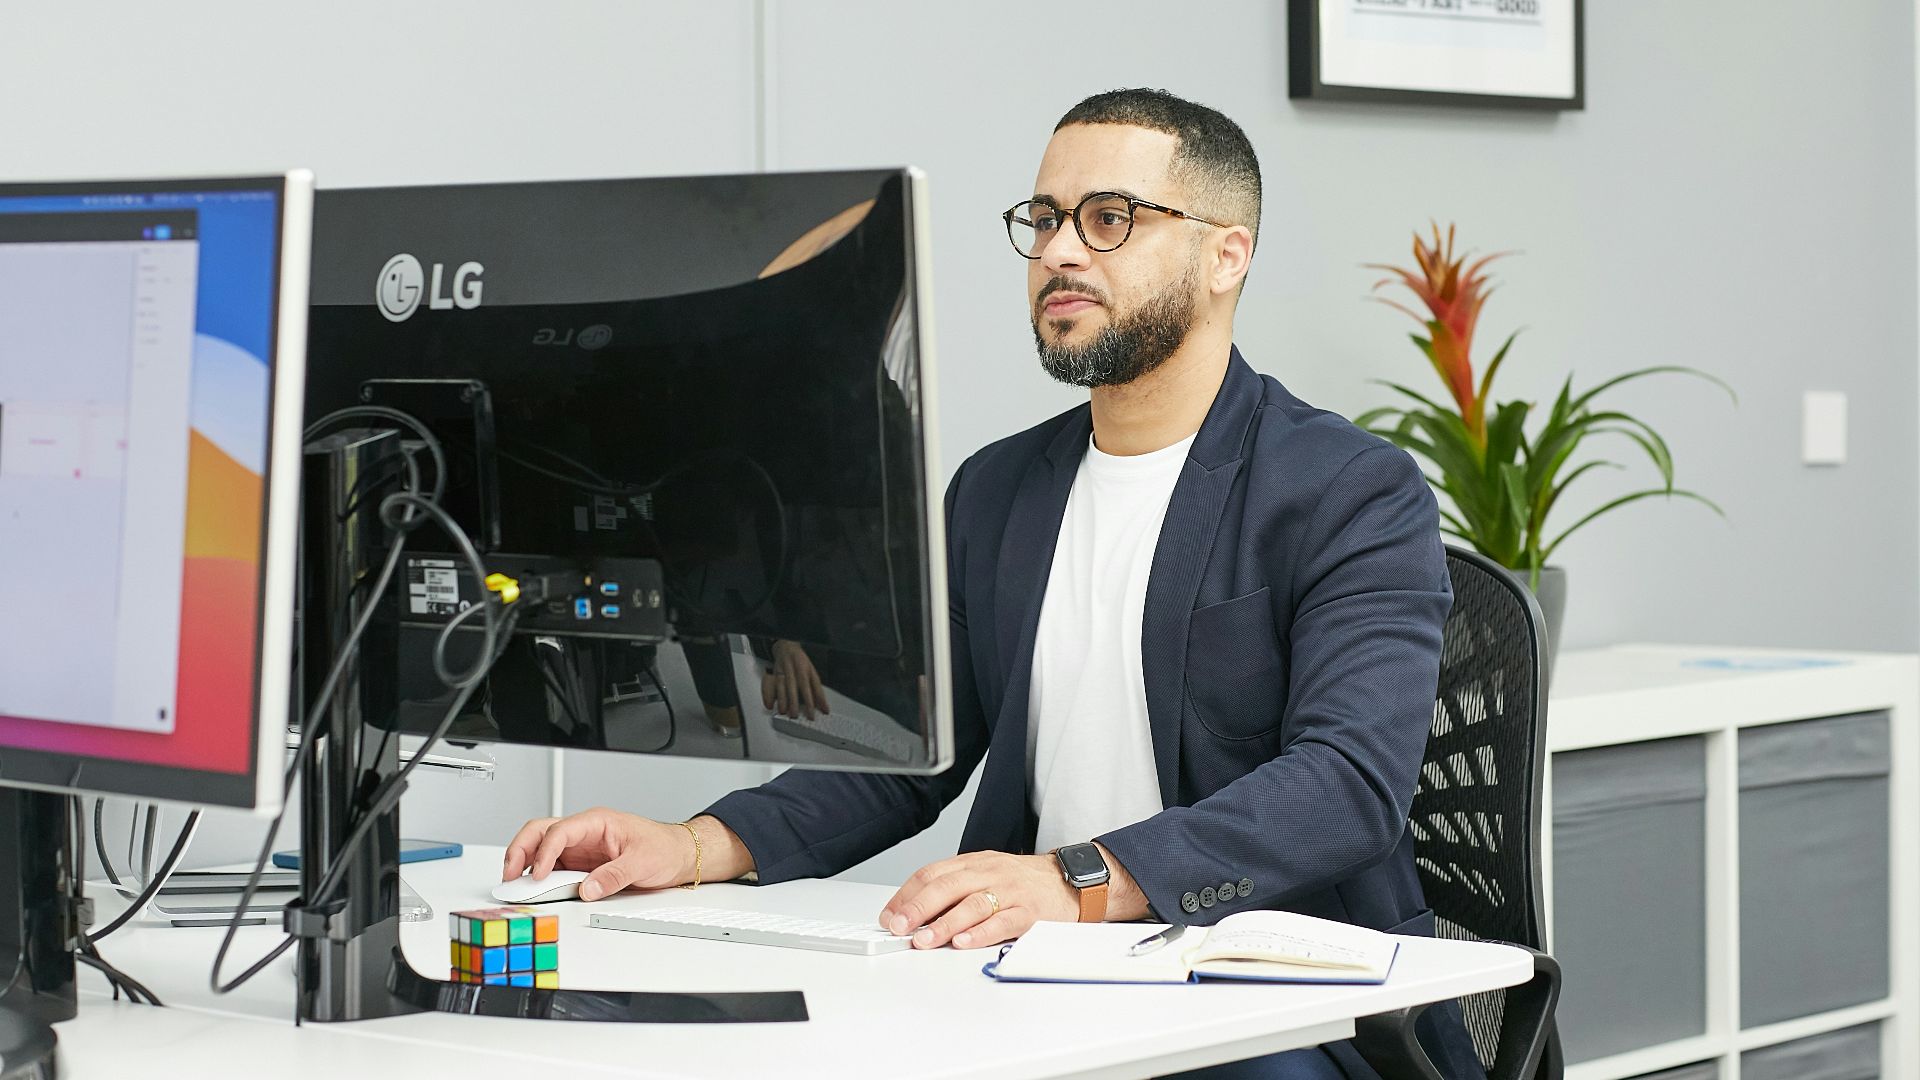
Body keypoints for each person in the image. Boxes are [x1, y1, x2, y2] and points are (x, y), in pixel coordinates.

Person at [502, 88, 1481, 1079]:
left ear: (1225, 256)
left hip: (1271, 1003)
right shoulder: (999, 489)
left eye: (1109, 219)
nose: (1060, 251)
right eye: (1045, 220)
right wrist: (697, 843)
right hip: (1038, 980)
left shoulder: (1348, 489)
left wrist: (1080, 881)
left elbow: (1347, 786)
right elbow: (913, 755)